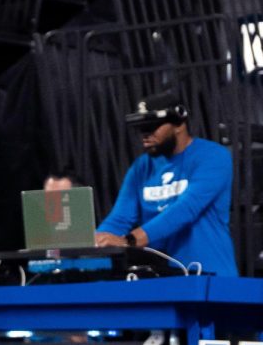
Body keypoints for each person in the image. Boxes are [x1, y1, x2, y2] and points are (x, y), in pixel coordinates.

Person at [94, 93, 236, 277]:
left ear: (179, 124)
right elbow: (120, 219)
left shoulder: (213, 156)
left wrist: (129, 241)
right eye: (141, 129)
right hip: (162, 276)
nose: (145, 135)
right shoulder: (141, 167)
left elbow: (186, 209)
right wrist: (96, 243)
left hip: (210, 274)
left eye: (152, 127)